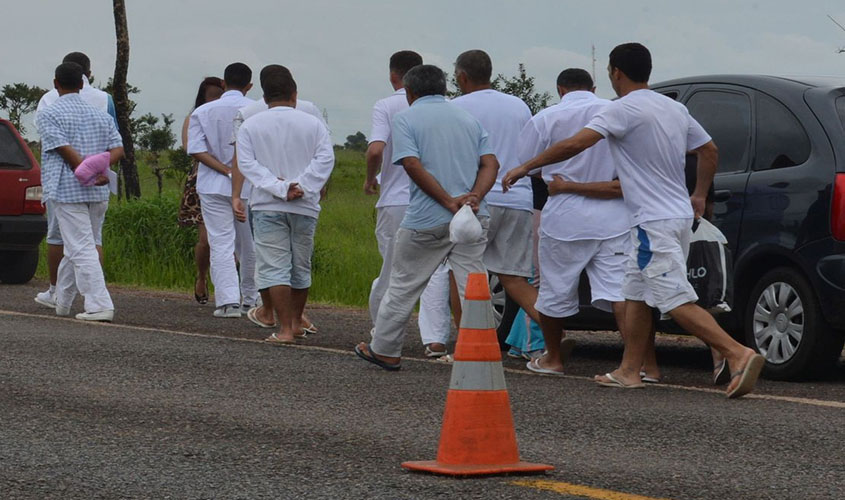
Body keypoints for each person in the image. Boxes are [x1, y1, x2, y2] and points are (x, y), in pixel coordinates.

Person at [503, 43, 764, 398]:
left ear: (615, 73)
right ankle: (630, 370)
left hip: (650, 221)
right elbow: (709, 150)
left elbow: (575, 144)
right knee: (634, 293)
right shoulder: (673, 108)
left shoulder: (622, 110)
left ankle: (738, 353)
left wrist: (526, 166)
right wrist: (700, 193)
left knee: (672, 298)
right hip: (675, 216)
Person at [354, 64, 499, 370]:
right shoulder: (467, 119)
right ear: (446, 88)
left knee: (403, 284)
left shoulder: (406, 118)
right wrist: (473, 197)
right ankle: (480, 352)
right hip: (472, 216)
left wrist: (447, 201)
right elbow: (490, 163)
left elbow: (411, 163)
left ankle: (385, 349)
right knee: (473, 284)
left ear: (409, 92)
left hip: (427, 218)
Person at [512, 68, 630, 376]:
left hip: (565, 213)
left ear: (560, 90)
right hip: (613, 212)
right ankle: (633, 363)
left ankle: (553, 358)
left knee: (554, 290)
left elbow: (527, 165)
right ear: (593, 87)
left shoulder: (546, 118)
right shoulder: (615, 111)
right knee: (619, 293)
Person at [236, 65, 334, 343]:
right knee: (300, 266)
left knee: (274, 266)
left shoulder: (251, 125)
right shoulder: (313, 123)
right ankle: (296, 322)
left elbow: (247, 165)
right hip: (305, 204)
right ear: (294, 94)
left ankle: (285, 329)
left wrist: (280, 187)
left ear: (265, 98)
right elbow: (325, 159)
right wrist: (301, 186)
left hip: (268, 204)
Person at [364, 50, 452, 358]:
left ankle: (382, 332)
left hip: (396, 199)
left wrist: (369, 178)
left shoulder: (387, 106)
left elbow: (376, 149)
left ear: (394, 76)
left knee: (393, 269)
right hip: (439, 198)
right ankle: (435, 338)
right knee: (436, 270)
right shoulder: (448, 108)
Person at [448, 49, 536, 333]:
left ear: (461, 76)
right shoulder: (519, 105)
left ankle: (467, 340)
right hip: (519, 197)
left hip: (477, 200)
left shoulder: (456, 107)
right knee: (514, 278)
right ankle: (552, 337)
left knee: (462, 270)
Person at [36, 61, 124, 321]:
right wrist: (100, 169)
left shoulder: (49, 114)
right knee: (79, 244)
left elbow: (64, 150)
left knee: (80, 247)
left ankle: (99, 304)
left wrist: (85, 170)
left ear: (56, 83)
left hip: (67, 190)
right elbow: (118, 149)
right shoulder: (100, 115)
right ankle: (62, 302)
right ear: (83, 82)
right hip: (98, 191)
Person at [187, 62, 258, 318]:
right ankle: (252, 298)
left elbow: (195, 149)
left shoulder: (203, 111)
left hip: (212, 185)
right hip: (250, 185)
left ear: (224, 84)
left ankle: (228, 302)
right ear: (249, 86)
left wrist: (225, 170)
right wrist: (238, 172)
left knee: (220, 242)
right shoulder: (256, 110)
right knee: (249, 243)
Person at [178, 76, 224, 304]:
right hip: (203, 179)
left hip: (231, 178)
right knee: (206, 239)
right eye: (211, 95)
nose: (216, 99)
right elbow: (189, 147)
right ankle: (202, 277)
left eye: (220, 94)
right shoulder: (194, 117)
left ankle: (230, 288)